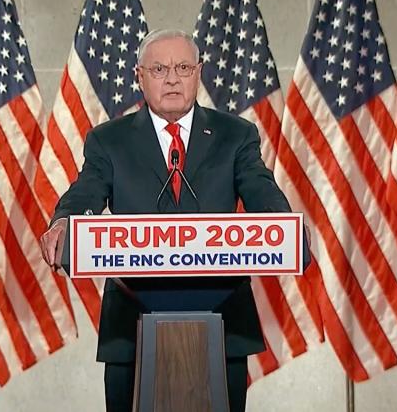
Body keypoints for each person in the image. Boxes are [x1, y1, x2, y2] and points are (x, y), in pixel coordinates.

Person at [39, 29, 302, 412]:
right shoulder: (108, 140)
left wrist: (285, 227)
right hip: (132, 324)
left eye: (182, 67)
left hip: (222, 317)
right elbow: (87, 190)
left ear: (198, 73)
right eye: (160, 68)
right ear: (139, 77)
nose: (173, 78)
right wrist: (65, 221)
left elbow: (260, 189)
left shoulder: (235, 135)